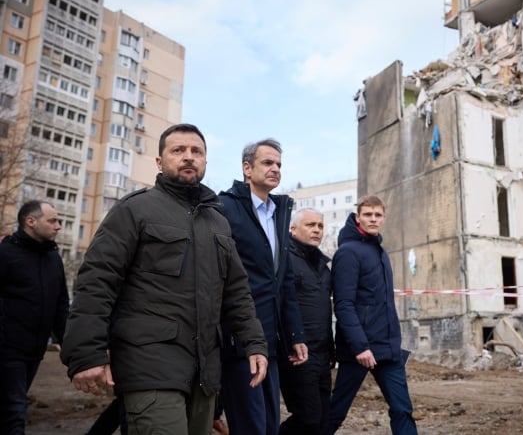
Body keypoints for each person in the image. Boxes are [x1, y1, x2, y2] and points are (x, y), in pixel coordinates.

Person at [60, 123, 268, 435]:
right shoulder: (135, 210)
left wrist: (255, 342)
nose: (188, 157)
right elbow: (97, 281)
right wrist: (86, 353)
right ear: (160, 162)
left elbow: (236, 292)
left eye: (196, 151)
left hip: (205, 373)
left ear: (205, 161)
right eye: (178, 150)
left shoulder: (218, 222)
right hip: (149, 365)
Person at [219, 139, 308, 435]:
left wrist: (294, 334)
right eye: (268, 163)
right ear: (247, 168)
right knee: (250, 426)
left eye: (279, 164)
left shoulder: (279, 213)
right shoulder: (226, 208)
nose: (275, 169)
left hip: (271, 341)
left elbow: (283, 283)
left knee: (270, 425)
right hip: (239, 340)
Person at [328, 195, 418, 435]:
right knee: (335, 412)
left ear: (384, 218)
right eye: (368, 214)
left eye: (378, 215)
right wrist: (360, 347)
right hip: (359, 351)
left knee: (402, 409)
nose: (373, 219)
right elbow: (344, 305)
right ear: (358, 217)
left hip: (388, 349)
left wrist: (395, 344)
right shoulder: (348, 252)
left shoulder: (380, 252)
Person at [0, 200, 69, 434]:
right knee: (15, 411)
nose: (58, 226)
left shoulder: (53, 259)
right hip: (7, 349)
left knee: (11, 408)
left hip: (35, 350)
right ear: (30, 221)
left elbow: (61, 306)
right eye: (52, 220)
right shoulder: (6, 253)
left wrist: (69, 346)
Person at [279, 209, 334, 435]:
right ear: (293, 229)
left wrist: (331, 350)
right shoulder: (285, 260)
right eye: (310, 225)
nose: (317, 230)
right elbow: (281, 305)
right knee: (308, 418)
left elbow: (324, 310)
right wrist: (291, 341)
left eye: (320, 226)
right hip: (298, 352)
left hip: (322, 353)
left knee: (322, 420)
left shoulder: (322, 265)